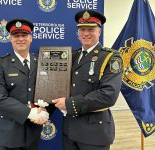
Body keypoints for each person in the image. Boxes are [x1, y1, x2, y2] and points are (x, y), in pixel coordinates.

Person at [52, 10, 123, 150]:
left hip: (94, 133)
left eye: (90, 29)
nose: (85, 33)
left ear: (99, 32)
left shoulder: (110, 57)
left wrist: (69, 104)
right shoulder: (71, 56)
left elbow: (108, 95)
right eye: (82, 29)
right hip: (70, 131)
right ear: (78, 32)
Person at [0, 18, 49, 150]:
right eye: (16, 36)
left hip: (32, 134)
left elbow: (47, 91)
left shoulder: (40, 62)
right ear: (10, 39)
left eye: (24, 35)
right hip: (7, 135)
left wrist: (45, 111)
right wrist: (30, 113)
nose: (20, 39)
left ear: (31, 38)